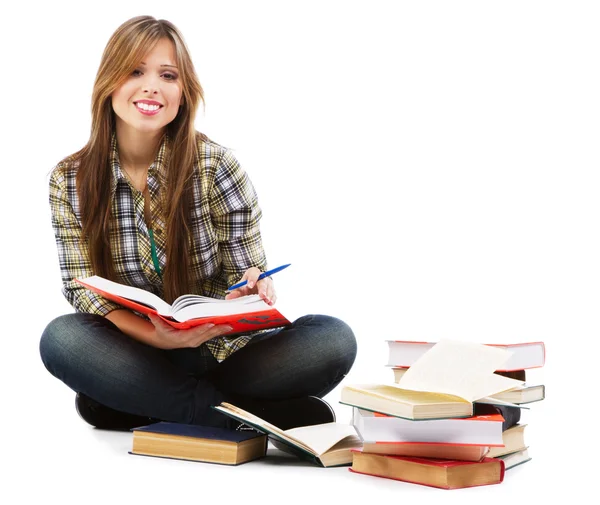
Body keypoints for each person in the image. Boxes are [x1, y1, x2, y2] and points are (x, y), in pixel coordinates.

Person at [39, 15, 357, 432]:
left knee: (333, 338)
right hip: (140, 352)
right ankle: (235, 414)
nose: (152, 85)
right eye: (136, 70)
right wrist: (159, 338)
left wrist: (249, 288)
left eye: (167, 75)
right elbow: (82, 289)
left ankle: (143, 405)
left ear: (184, 92)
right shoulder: (68, 179)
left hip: (227, 353)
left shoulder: (216, 166)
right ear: (108, 83)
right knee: (62, 338)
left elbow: (245, 274)